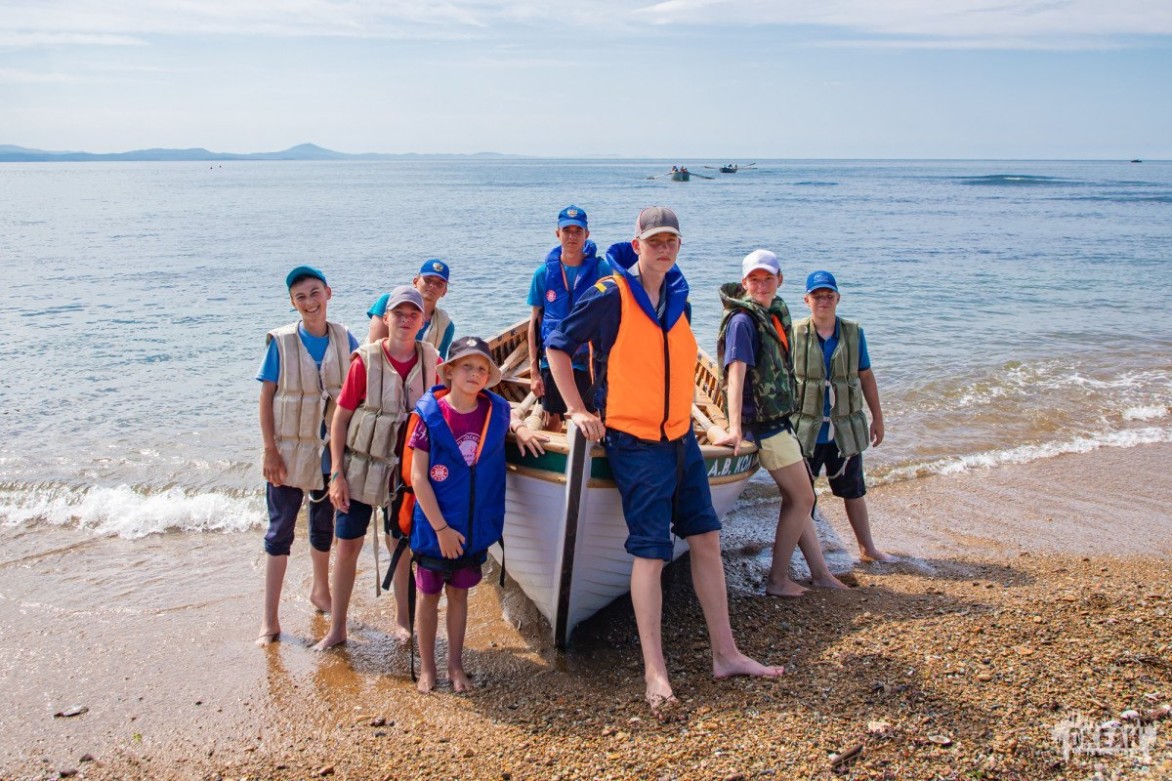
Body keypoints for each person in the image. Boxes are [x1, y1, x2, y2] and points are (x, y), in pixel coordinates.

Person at [545, 206, 785, 721]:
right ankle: (655, 672)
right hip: (635, 444)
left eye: (671, 240)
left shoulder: (679, 293)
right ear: (636, 244)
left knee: (706, 539)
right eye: (654, 240)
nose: (663, 248)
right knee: (651, 554)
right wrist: (580, 410)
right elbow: (558, 345)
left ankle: (726, 653)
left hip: (682, 439)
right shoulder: (610, 294)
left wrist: (713, 426)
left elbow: (676, 361)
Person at [407, 337, 546, 692]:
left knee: (459, 595)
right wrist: (440, 528)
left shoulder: (496, 411)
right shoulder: (428, 416)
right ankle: (427, 668)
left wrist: (522, 428)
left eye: (482, 368)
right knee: (428, 597)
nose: (474, 374)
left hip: (471, 528)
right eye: (466, 366)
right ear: (449, 371)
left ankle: (455, 667)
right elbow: (418, 477)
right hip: (436, 528)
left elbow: (511, 419)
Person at [712, 250, 848, 597]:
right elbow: (736, 373)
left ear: (779, 280)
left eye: (767, 278)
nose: (761, 285)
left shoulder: (772, 314)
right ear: (744, 283)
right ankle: (777, 580)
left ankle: (819, 572)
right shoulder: (744, 321)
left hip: (778, 420)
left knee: (798, 495)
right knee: (802, 498)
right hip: (763, 425)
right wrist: (735, 426)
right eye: (754, 280)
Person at [314, 286, 440, 651]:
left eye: (412, 314)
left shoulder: (431, 360)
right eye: (398, 314)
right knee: (348, 546)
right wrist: (336, 473)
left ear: (422, 320)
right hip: (359, 468)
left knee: (400, 545)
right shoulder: (365, 361)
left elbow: (450, 405)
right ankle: (337, 628)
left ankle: (403, 621)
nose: (405, 320)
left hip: (404, 473)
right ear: (385, 319)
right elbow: (340, 419)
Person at [255, 265, 358, 646]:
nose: (310, 302)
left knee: (322, 529)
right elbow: (266, 399)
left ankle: (321, 592)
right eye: (301, 297)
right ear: (292, 303)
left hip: (329, 456)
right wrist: (269, 451)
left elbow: (364, 384)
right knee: (279, 533)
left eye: (315, 293)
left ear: (329, 293)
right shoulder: (280, 343)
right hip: (287, 454)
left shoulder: (346, 338)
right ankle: (269, 619)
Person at [791, 270, 894, 563]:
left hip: (843, 431)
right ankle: (806, 558)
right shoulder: (793, 333)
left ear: (838, 298)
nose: (823, 301)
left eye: (828, 296)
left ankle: (867, 548)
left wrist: (878, 418)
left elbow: (865, 376)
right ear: (806, 300)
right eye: (817, 296)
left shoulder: (853, 333)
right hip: (805, 432)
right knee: (802, 498)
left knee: (854, 491)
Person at [526, 205, 611, 431]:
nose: (572, 236)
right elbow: (534, 324)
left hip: (590, 360)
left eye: (578, 231)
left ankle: (588, 461)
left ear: (586, 235)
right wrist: (534, 372)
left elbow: (614, 316)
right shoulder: (543, 274)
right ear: (558, 234)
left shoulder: (602, 270)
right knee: (552, 419)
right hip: (552, 360)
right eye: (567, 230)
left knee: (593, 416)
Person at [367, 260, 456, 358]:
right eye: (428, 280)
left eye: (439, 284)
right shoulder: (388, 302)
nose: (432, 285)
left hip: (421, 372)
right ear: (415, 281)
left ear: (445, 291)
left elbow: (438, 364)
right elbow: (375, 347)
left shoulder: (445, 325)